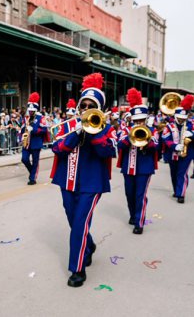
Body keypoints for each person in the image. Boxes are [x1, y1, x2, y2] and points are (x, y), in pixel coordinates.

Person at [50, 73, 117, 287]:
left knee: (79, 223)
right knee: (73, 220)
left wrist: (94, 132)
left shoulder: (107, 128)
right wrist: (76, 133)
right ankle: (88, 246)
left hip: (92, 183)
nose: (86, 109)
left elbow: (109, 152)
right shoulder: (68, 126)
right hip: (67, 181)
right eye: (83, 105)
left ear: (98, 108)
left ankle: (77, 269)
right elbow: (57, 149)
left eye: (91, 105)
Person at [117, 88, 158, 234]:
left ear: (146, 119)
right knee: (130, 193)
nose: (139, 122)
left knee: (140, 195)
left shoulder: (151, 130)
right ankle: (133, 215)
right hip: (128, 167)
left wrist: (146, 140)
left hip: (144, 168)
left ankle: (139, 222)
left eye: (141, 120)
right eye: (136, 120)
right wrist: (130, 137)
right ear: (132, 119)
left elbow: (156, 146)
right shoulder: (126, 130)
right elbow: (120, 145)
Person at [161, 94, 194, 204]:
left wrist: (192, 134)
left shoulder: (191, 124)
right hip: (172, 154)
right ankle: (177, 190)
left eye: (183, 119)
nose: (181, 120)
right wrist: (175, 146)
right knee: (174, 173)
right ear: (175, 117)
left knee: (182, 173)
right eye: (179, 118)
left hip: (187, 153)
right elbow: (165, 138)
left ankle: (181, 194)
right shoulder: (169, 126)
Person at [21, 92, 48, 185]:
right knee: (24, 159)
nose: (31, 112)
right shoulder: (26, 118)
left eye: (32, 110)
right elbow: (22, 128)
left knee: (35, 161)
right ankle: (32, 171)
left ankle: (32, 178)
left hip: (36, 142)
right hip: (26, 142)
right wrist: (22, 129)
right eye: (30, 110)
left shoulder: (41, 118)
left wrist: (34, 130)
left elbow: (44, 130)